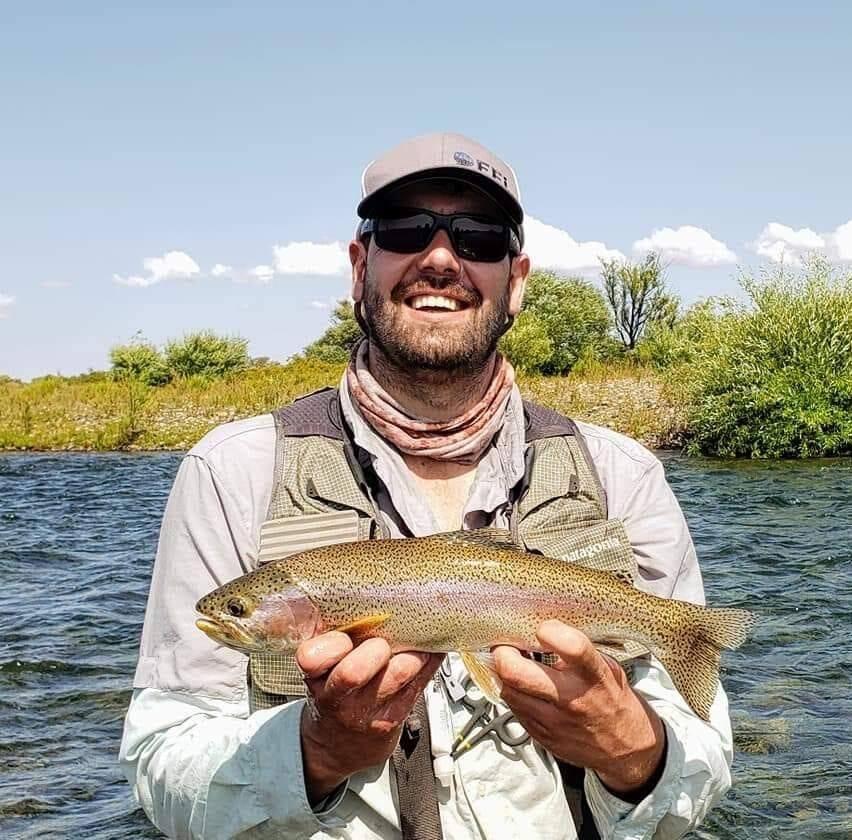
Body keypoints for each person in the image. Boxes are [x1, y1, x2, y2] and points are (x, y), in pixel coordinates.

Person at [120, 132, 735, 840]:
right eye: (406, 231)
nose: (440, 258)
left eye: (477, 238)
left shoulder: (623, 474)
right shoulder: (232, 473)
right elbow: (160, 765)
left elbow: (705, 767)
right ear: (360, 267)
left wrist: (637, 756)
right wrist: (314, 755)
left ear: (519, 280)